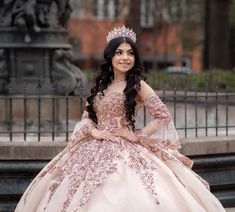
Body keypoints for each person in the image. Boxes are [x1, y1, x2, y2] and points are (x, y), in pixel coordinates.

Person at [15, 26, 225, 212]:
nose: (125, 57)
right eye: (119, 52)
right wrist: (93, 131)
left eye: (130, 53)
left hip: (125, 147)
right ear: (111, 57)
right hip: (93, 145)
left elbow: (162, 116)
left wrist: (138, 136)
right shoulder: (100, 86)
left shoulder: (138, 85)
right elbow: (87, 117)